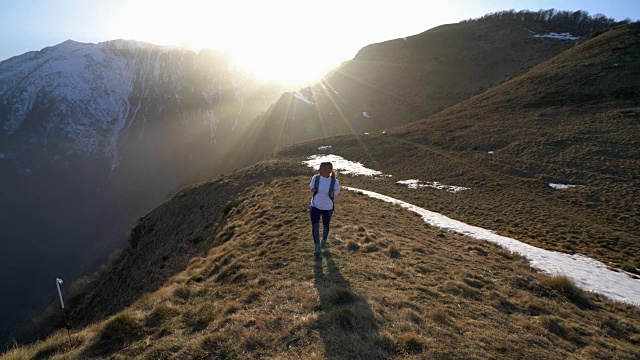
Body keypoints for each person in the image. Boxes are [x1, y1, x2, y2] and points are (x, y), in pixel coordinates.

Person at [309, 162, 340, 255]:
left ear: (329, 171)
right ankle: (317, 246)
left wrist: (334, 193)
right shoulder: (316, 178)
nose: (319, 170)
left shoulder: (334, 181)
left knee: (326, 225)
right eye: (319, 168)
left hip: (327, 207)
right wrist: (312, 189)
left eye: (322, 168)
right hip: (315, 206)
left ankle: (324, 241)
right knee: (315, 226)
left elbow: (337, 190)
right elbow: (311, 185)